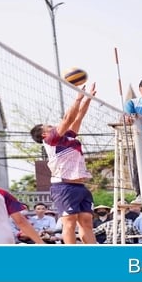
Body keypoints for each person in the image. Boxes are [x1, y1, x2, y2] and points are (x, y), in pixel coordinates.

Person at [29, 83, 97, 244]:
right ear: (44, 134)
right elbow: (68, 118)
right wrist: (78, 97)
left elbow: (78, 116)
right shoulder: (51, 140)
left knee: (87, 222)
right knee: (70, 222)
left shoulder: (69, 137)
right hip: (63, 187)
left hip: (79, 186)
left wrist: (88, 98)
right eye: (49, 126)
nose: (53, 126)